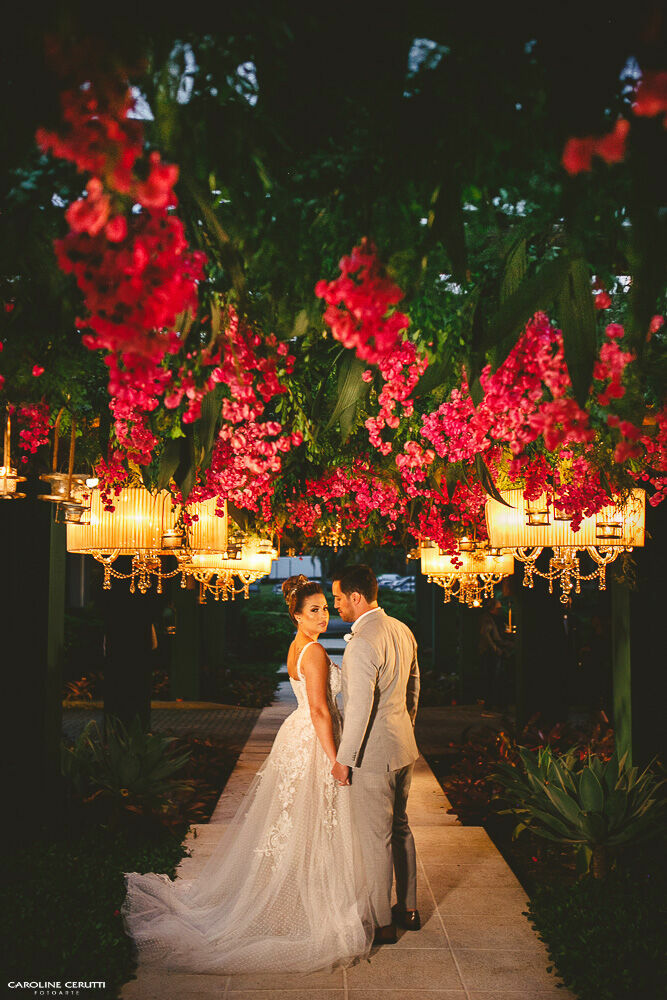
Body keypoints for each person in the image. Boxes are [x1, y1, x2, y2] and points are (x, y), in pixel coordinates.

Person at [120, 574, 373, 973]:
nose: (323, 615)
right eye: (314, 610)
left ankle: (299, 895)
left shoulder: (298, 646)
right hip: (314, 742)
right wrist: (335, 759)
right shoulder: (316, 654)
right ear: (295, 614)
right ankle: (308, 904)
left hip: (297, 736)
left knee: (296, 823)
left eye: (325, 608)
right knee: (311, 823)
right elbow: (321, 710)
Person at [331, 564, 421, 945]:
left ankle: (382, 922)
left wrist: (343, 758)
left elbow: (359, 709)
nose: (336, 606)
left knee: (375, 838)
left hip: (373, 755)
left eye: (337, 599)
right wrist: (404, 729)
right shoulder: (401, 629)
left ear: (356, 597)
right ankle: (410, 909)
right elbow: (414, 689)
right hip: (403, 747)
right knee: (399, 827)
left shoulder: (362, 643)